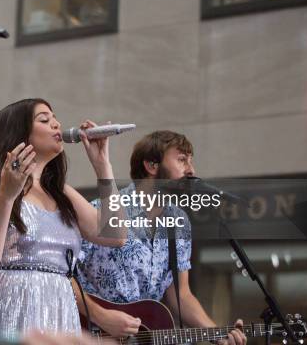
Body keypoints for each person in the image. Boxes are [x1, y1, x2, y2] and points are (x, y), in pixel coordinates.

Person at [0, 98, 126, 339]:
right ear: (20, 132)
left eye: (55, 118)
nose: (57, 124)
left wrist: (102, 165)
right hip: (9, 308)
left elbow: (116, 235)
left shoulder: (60, 191)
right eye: (45, 120)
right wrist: (6, 196)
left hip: (59, 307)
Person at [76, 130, 247, 345]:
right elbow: (63, 277)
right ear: (151, 166)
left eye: (190, 161)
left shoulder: (179, 222)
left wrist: (215, 331)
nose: (191, 170)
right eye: (182, 160)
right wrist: (101, 316)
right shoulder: (101, 211)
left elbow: (181, 295)